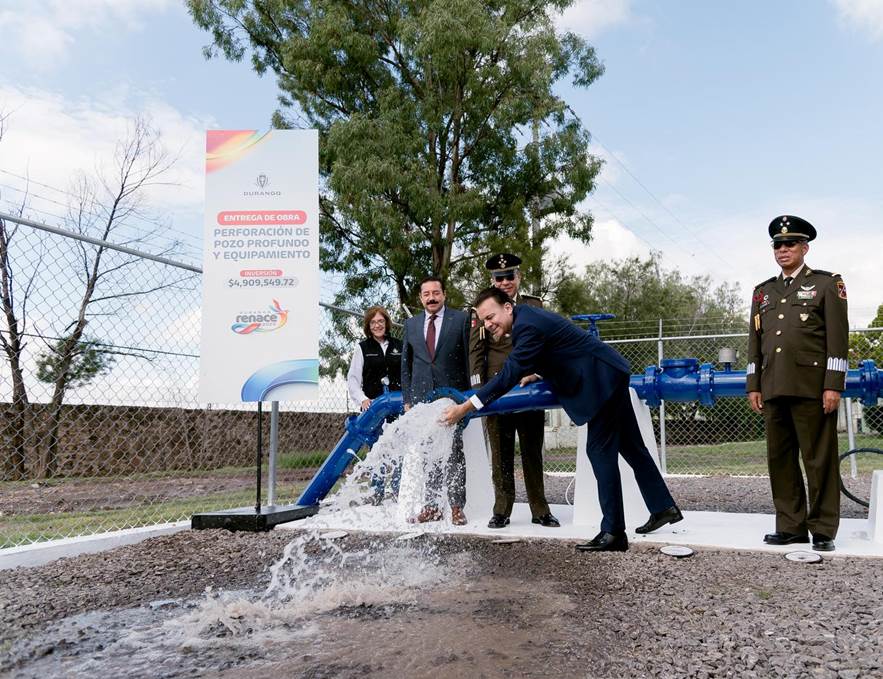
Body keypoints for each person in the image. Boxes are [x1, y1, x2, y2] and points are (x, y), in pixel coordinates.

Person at [442, 287, 682, 552]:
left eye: (491, 317)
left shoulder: (526, 326)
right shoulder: (527, 318)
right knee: (633, 448)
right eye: (484, 320)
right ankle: (663, 507)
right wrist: (537, 373)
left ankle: (614, 532)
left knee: (599, 452)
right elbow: (555, 349)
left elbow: (508, 374)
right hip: (608, 374)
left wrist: (466, 407)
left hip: (601, 381)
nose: (488, 325)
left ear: (508, 307)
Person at [746, 215, 848, 552]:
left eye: (790, 243)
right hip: (773, 386)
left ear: (805, 248)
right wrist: (753, 384)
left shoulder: (826, 284)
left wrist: (833, 384)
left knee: (818, 460)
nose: (783, 249)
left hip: (811, 387)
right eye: (777, 245)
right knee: (780, 460)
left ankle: (823, 529)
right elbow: (755, 342)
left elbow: (838, 339)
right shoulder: (763, 292)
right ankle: (790, 526)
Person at [469, 253, 558, 529]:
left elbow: (545, 343)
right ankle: (501, 509)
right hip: (498, 392)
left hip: (529, 388)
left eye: (509, 276)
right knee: (500, 454)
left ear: (518, 277)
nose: (505, 282)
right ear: (492, 281)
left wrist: (540, 374)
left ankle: (540, 509)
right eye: (499, 278)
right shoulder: (482, 309)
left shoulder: (533, 305)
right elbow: (476, 353)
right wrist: (480, 391)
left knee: (532, 451)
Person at [401, 276, 471, 525]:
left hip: (452, 397)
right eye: (426, 294)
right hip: (421, 398)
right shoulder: (411, 324)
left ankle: (456, 507)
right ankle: (432, 507)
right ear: (420, 298)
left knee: (454, 453)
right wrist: (407, 399)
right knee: (427, 453)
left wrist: (468, 397)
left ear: (444, 294)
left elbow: (468, 358)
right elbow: (406, 364)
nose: (431, 298)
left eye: (436, 293)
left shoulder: (461, 319)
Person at [347, 305, 403, 502]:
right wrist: (362, 399)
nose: (377, 325)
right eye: (373, 322)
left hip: (397, 405)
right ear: (368, 326)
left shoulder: (399, 346)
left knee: (398, 448)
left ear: (386, 323)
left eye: (381, 321)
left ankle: (397, 492)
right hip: (374, 408)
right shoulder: (362, 348)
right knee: (376, 449)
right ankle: (376, 493)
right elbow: (353, 379)